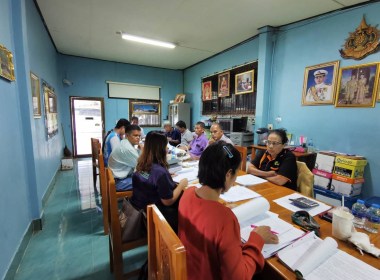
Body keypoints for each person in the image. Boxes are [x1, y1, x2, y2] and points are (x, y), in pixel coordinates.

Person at [179, 141, 278, 280]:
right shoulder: (225, 220)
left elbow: (203, 214)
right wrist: (257, 239)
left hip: (188, 270)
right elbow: (238, 277)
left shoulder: (188, 193)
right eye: (236, 173)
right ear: (228, 174)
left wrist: (221, 208)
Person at [131, 131, 187, 233]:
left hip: (139, 208)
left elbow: (150, 177)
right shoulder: (160, 173)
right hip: (153, 214)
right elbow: (168, 201)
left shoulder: (141, 163)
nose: (167, 148)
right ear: (160, 148)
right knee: (186, 205)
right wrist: (182, 185)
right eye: (165, 145)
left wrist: (166, 177)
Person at [108, 125, 142, 191]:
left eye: (139, 136)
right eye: (135, 135)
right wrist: (143, 150)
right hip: (119, 182)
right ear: (127, 135)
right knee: (150, 182)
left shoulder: (124, 143)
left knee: (148, 177)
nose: (138, 138)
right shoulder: (127, 148)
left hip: (120, 177)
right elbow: (141, 166)